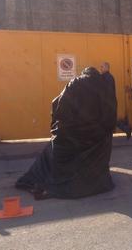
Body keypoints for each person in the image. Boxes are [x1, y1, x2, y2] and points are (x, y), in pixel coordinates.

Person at [15, 67, 117, 200]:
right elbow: (110, 113)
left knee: (51, 153)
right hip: (96, 137)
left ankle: (61, 180)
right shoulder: (104, 87)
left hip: (72, 135)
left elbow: (59, 106)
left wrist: (60, 126)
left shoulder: (75, 83)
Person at [99, 62, 132, 139]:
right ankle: (126, 129)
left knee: (109, 120)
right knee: (109, 120)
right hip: (109, 102)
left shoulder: (107, 77)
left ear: (107, 68)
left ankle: (126, 129)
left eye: (102, 67)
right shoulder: (107, 77)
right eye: (100, 67)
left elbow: (108, 92)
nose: (100, 68)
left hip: (108, 103)